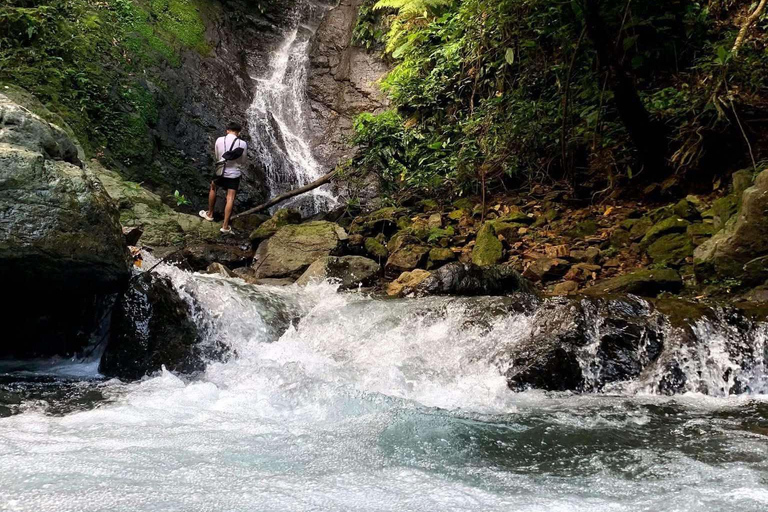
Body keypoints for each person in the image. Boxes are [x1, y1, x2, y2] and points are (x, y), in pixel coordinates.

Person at [199, 122, 248, 234]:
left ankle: (210, 214)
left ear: (227, 130)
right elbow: (243, 161)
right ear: (239, 132)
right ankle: (225, 226)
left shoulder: (219, 140)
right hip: (234, 173)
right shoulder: (242, 143)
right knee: (230, 197)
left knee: (213, 188)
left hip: (219, 171)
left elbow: (217, 156)